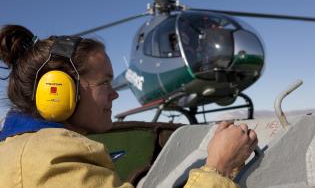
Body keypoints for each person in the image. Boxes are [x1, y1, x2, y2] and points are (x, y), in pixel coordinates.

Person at [0, 25, 258, 188]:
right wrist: (219, 168)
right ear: (58, 91)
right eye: (104, 83)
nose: (115, 95)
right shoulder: (48, 164)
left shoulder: (30, 148)